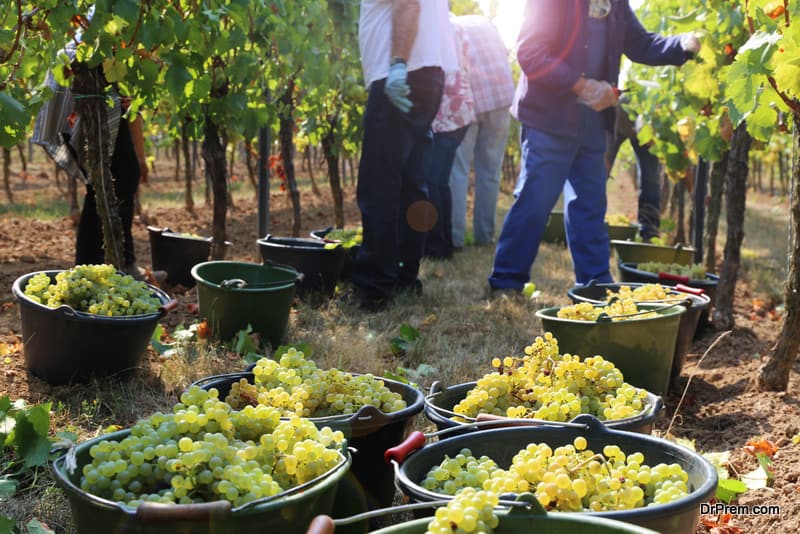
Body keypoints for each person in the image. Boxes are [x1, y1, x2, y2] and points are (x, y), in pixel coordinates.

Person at [488, 0, 700, 293]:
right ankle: (506, 281)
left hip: (592, 120)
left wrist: (680, 45)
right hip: (549, 116)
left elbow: (639, 43)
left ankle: (595, 283)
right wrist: (581, 86)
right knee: (535, 199)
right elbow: (530, 52)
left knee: (590, 204)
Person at [352, 0, 458, 309]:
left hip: (401, 72)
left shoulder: (400, 67)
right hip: (425, 72)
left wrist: (398, 64)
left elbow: (407, 3)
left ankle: (374, 286)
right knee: (411, 182)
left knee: (380, 181)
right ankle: (404, 276)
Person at [32, 14, 152, 281]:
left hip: (110, 122)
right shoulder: (80, 51)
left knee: (119, 183)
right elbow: (61, 94)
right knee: (104, 187)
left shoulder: (119, 55)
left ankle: (112, 263)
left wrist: (142, 158)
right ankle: (96, 266)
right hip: (88, 125)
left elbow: (132, 110)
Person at [449, 15, 515, 250]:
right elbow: (505, 54)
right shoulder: (486, 23)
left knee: (459, 169)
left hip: (469, 100)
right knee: (490, 170)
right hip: (500, 98)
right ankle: (484, 236)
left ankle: (455, 238)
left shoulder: (451, 26)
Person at [423, 16, 476, 259]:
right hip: (461, 112)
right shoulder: (456, 24)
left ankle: (435, 247)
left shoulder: (436, 25)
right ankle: (444, 244)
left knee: (432, 181)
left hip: (445, 113)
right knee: (440, 181)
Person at [605, 106, 662, 241]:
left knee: (651, 178)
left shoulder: (662, 111)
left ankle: (649, 231)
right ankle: (591, 221)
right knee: (600, 171)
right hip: (618, 118)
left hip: (649, 125)